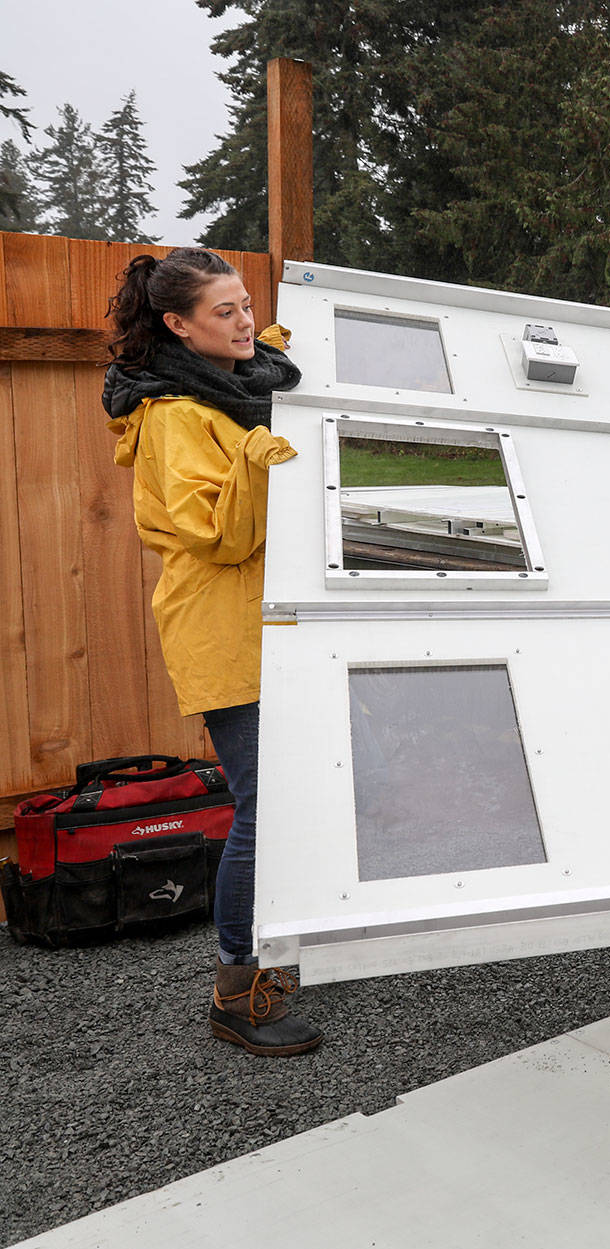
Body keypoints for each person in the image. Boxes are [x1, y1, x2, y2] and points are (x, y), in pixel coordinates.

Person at [103, 247, 320, 1056]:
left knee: (308, 793)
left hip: (279, 621)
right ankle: (238, 988)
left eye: (245, 304)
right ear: (177, 324)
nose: (244, 321)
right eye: (223, 311)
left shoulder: (238, 385)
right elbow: (219, 538)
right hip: (223, 630)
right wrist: (260, 465)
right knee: (265, 803)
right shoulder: (170, 414)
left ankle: (290, 953)